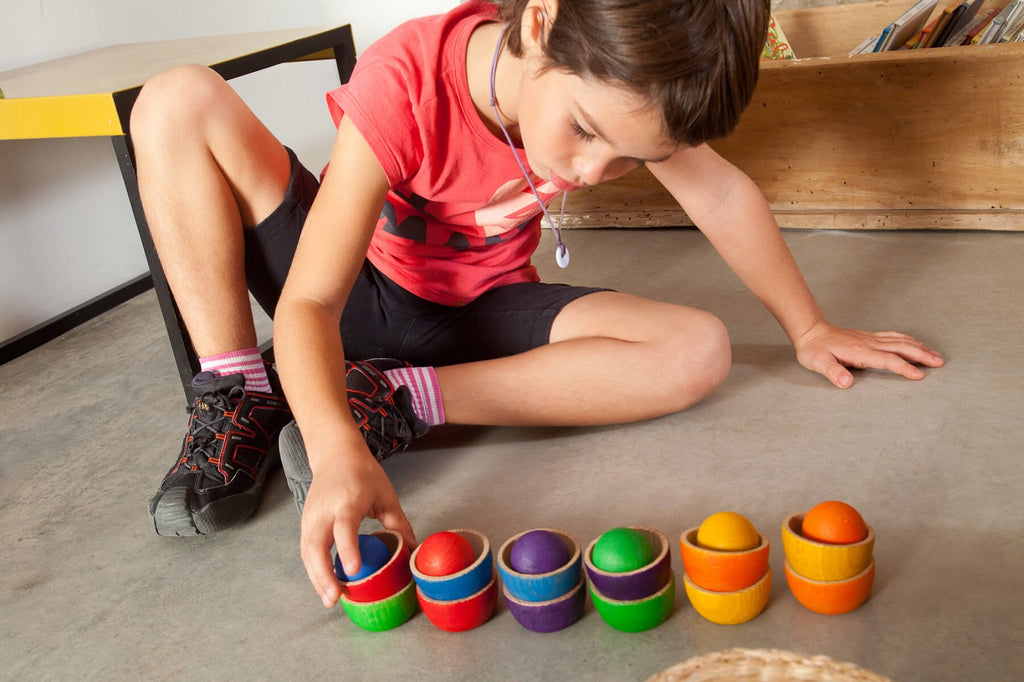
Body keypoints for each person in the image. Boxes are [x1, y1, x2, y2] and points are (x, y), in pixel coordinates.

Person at [130, 0, 944, 608]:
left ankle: (392, 399)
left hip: (477, 319)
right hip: (355, 293)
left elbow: (723, 196)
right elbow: (308, 299)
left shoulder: (628, 85)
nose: (593, 173)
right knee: (174, 98)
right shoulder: (407, 78)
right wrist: (337, 453)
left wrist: (808, 327)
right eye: (585, 131)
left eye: (632, 158)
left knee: (699, 349)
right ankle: (242, 391)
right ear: (542, 22)